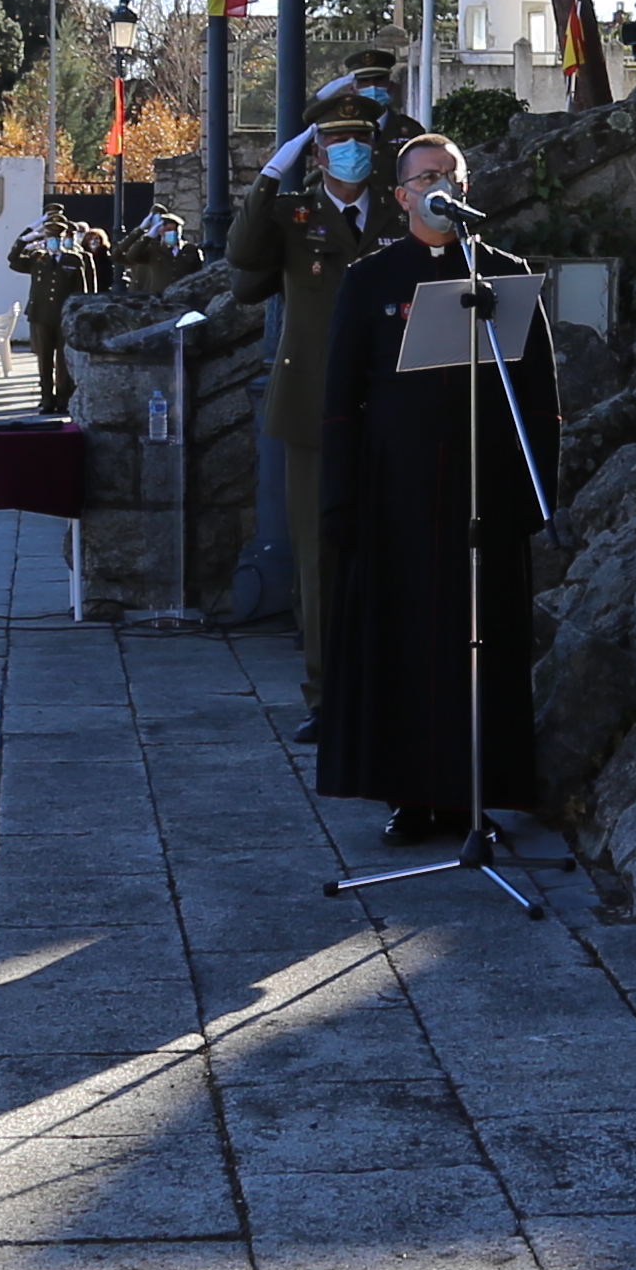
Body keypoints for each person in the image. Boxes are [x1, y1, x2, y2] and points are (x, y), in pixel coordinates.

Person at [314, 136, 558, 844]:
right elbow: (339, 399)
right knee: (407, 642)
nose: (440, 186)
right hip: (400, 495)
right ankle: (412, 796)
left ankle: (475, 794)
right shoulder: (370, 280)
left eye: (451, 175)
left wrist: (536, 490)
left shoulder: (503, 276)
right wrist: (340, 498)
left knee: (482, 640)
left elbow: (537, 396)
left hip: (484, 495)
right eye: (426, 177)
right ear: (401, 196)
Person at [225, 62, 414, 702]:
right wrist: (271, 175)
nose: (350, 150)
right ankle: (326, 691)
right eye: (336, 141)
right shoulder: (292, 212)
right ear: (319, 151)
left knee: (393, 544)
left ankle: (387, 680)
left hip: (391, 397)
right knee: (317, 552)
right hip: (311, 403)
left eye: (360, 139)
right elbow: (243, 261)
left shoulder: (396, 209)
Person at [7, 205, 111, 415]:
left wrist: (80, 315)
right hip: (40, 316)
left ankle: (64, 397)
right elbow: (14, 260)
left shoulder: (75, 259)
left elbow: (83, 290)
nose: (54, 241)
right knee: (44, 360)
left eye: (58, 237)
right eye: (50, 237)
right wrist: (26, 237)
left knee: (64, 360)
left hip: (64, 317)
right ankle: (46, 398)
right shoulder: (38, 257)